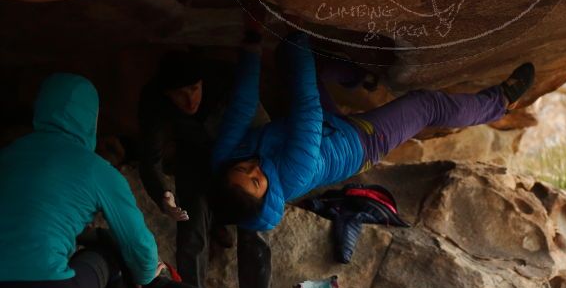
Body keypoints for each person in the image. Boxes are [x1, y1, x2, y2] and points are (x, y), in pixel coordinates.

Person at [0, 72, 267, 288]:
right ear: (90, 119)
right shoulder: (95, 169)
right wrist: (148, 271)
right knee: (107, 260)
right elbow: (136, 242)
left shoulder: (8, 156)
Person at [211, 27, 534, 231]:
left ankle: (361, 77)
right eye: (256, 180)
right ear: (267, 196)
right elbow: (305, 110)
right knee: (425, 105)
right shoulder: (294, 173)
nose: (254, 166)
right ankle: (499, 102)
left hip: (322, 127)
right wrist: (298, 37)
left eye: (243, 167)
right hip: (360, 141)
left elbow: (241, 108)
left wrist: (252, 46)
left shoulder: (225, 162)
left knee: (294, 59)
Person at [137, 51, 272, 288]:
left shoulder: (225, 80)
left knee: (254, 230)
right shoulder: (153, 99)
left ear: (203, 83)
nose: (190, 100)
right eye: (180, 94)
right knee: (191, 227)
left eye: (194, 89)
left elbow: (265, 136)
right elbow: (149, 159)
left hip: (241, 159)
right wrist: (162, 195)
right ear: (166, 93)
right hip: (196, 157)